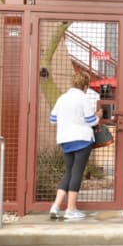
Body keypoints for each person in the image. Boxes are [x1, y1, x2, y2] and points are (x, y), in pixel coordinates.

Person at [49, 71, 102, 220]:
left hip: (65, 139)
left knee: (69, 172)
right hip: (82, 139)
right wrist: (98, 116)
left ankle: (56, 206)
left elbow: (53, 119)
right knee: (77, 173)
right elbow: (91, 121)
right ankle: (71, 209)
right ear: (85, 86)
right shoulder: (83, 98)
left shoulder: (62, 98)